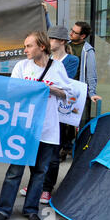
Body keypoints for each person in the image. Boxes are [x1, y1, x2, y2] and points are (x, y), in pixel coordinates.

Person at [0, 31, 75, 220]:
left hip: (47, 130)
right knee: (15, 171)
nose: (25, 50)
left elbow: (67, 93)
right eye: (25, 46)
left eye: (29, 46)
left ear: (42, 47)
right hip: (24, 128)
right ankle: (3, 210)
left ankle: (31, 210)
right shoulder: (21, 67)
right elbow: (12, 91)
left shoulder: (57, 68)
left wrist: (51, 90)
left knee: (40, 173)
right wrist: (31, 89)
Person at [19, 26, 79, 204]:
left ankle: (46, 188)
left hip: (55, 114)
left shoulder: (65, 63)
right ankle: (35, 186)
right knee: (30, 158)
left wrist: (48, 88)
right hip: (32, 118)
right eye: (48, 38)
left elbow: (67, 88)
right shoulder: (27, 64)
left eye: (53, 38)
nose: (50, 40)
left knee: (51, 154)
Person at [69, 21, 102, 127]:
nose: (71, 33)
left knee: (77, 123)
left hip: (78, 91)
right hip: (64, 90)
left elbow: (91, 74)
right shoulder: (65, 45)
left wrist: (92, 93)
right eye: (71, 30)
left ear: (82, 36)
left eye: (74, 32)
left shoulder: (87, 50)